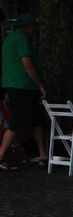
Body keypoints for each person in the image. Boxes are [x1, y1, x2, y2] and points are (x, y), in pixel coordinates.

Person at [0, 12, 48, 170]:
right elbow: (27, 64)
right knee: (17, 122)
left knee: (36, 120)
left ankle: (43, 155)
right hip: (24, 86)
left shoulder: (9, 39)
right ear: (29, 26)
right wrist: (41, 85)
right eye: (34, 27)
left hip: (14, 85)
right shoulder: (22, 39)